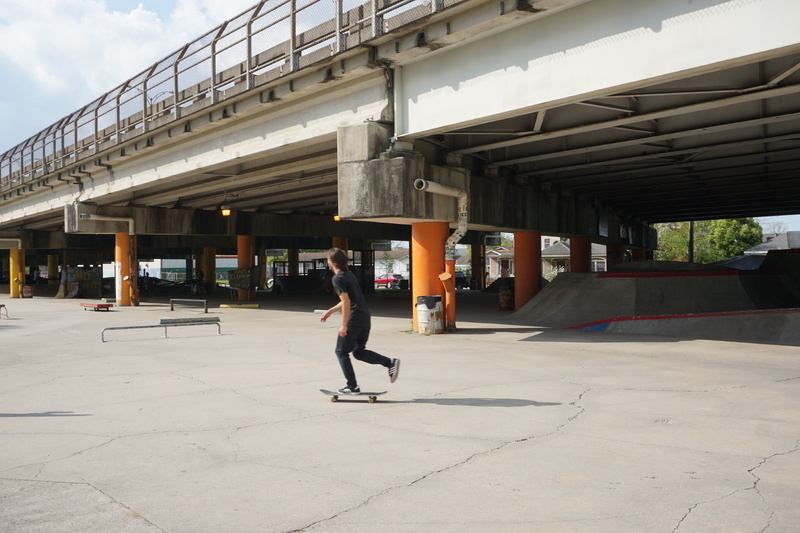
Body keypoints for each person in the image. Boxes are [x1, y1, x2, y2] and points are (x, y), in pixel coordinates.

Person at [320, 247, 400, 394]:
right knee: (358, 352)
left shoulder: (337, 279)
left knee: (341, 352)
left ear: (331, 261)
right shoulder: (349, 274)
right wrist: (330, 311)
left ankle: (352, 386)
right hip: (364, 318)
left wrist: (343, 325)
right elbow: (348, 299)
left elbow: (346, 302)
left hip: (354, 319)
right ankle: (389, 362)